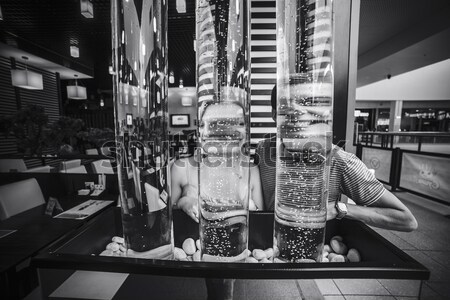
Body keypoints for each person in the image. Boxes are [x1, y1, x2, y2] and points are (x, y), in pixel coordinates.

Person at [256, 86, 417, 231]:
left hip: (318, 250)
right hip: (269, 249)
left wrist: (339, 208)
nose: (297, 122)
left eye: (304, 113)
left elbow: (407, 220)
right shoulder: (263, 149)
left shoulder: (340, 161)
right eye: (289, 113)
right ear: (274, 115)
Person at [171, 155, 264, 222]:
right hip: (191, 244)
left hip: (240, 243)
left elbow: (262, 220)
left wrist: (251, 206)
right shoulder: (181, 167)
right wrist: (182, 203)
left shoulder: (251, 170)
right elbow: (164, 218)